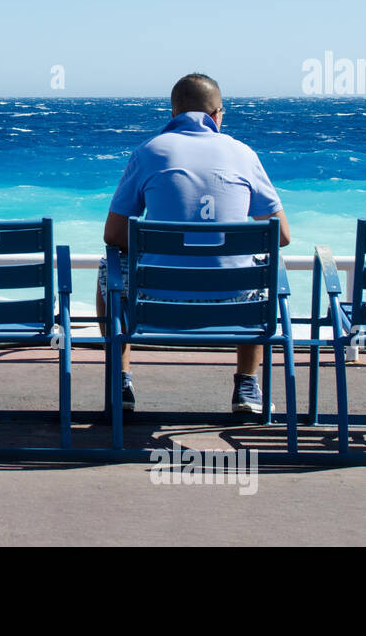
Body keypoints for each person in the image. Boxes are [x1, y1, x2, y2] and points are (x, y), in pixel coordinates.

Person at [98, 73, 290, 414]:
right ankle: (247, 385)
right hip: (233, 302)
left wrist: (159, 244)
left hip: (156, 300)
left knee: (105, 268)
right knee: (265, 267)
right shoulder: (243, 153)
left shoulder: (149, 151)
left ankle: (120, 379)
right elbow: (282, 235)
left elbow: (112, 235)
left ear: (173, 113)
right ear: (218, 114)